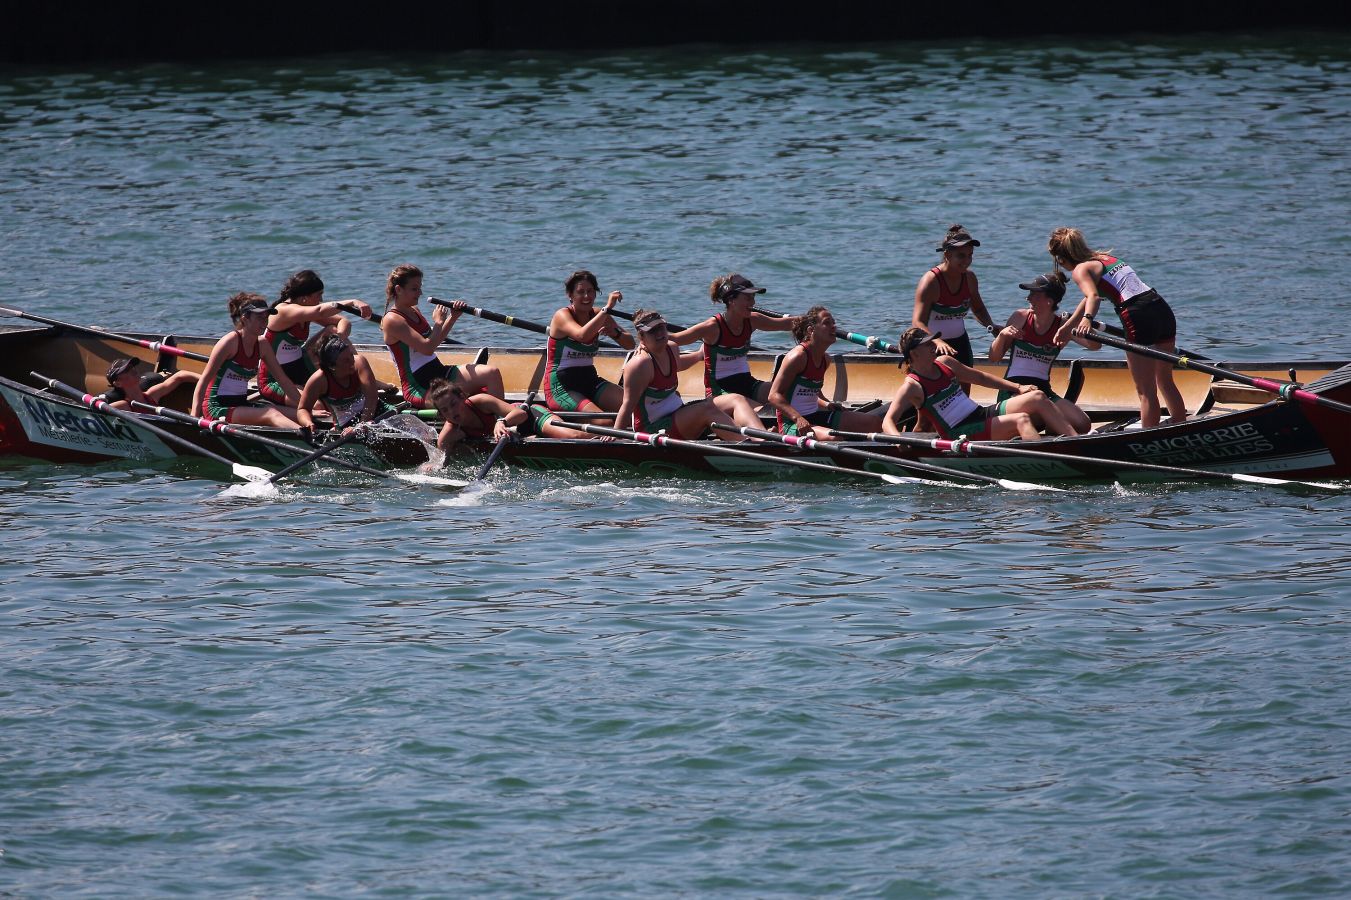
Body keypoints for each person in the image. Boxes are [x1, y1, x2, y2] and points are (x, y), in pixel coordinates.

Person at [1049, 227, 1186, 428]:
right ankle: (1180, 424)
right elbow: (1089, 296)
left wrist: (1087, 320)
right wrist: (1068, 326)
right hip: (1160, 308)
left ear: (1060, 258)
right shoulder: (1106, 259)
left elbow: (1093, 297)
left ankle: (1148, 438)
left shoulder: (1080, 270)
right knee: (1164, 379)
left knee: (1145, 390)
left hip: (1137, 315)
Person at [883, 327, 1078, 441]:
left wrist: (1018, 388)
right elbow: (888, 421)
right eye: (928, 344)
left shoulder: (944, 363)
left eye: (932, 341)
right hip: (959, 432)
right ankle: (1043, 461)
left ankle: (1075, 442)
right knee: (1021, 420)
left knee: (1037, 397)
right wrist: (900, 441)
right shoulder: (912, 386)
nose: (934, 345)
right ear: (914, 353)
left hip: (979, 414)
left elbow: (981, 378)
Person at [614, 309, 758, 442]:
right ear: (641, 337)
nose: (659, 333)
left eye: (661, 328)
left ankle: (763, 440)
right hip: (653, 429)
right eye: (652, 331)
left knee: (735, 398)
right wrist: (615, 437)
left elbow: (678, 364)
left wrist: (698, 355)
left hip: (678, 414)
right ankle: (748, 444)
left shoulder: (671, 348)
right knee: (706, 409)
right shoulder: (640, 364)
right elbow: (627, 406)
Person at [988, 272, 1099, 435]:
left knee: (1082, 423)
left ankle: (1054, 435)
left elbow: (1095, 346)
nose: (1028, 298)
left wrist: (1082, 322)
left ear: (1049, 301)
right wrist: (1003, 335)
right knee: (1034, 416)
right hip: (1013, 390)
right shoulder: (1019, 317)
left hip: (1043, 392)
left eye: (1034, 294)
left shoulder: (1063, 326)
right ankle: (1052, 429)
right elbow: (994, 357)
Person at [379, 263, 504, 408]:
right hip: (419, 386)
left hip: (439, 371)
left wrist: (453, 317)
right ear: (399, 290)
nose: (420, 293)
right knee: (459, 401)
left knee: (492, 373)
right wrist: (438, 322)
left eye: (420, 288)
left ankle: (499, 422)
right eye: (414, 289)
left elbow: (435, 340)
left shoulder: (414, 310)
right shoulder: (392, 320)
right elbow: (427, 349)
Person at [668, 273, 798, 402]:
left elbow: (787, 324)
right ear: (731, 300)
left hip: (747, 383)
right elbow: (675, 340)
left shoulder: (753, 320)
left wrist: (813, 319)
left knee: (786, 392)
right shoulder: (712, 327)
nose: (752, 302)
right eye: (747, 298)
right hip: (719, 392)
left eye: (753, 297)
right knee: (751, 407)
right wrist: (650, 333)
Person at [257, 269, 373, 405]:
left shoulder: (304, 308)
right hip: (273, 379)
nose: (321, 299)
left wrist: (338, 339)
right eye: (319, 295)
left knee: (332, 330)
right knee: (317, 405)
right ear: (305, 297)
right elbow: (319, 310)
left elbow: (343, 321)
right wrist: (353, 302)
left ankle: (359, 376)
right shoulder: (283, 311)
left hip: (300, 366)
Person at [767, 306, 884, 440]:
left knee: (874, 423)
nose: (833, 326)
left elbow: (811, 391)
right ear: (811, 330)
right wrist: (798, 418)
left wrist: (827, 404)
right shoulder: (797, 357)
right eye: (827, 323)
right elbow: (773, 396)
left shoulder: (825, 359)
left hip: (816, 415)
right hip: (792, 423)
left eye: (833, 323)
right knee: (834, 438)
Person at [190, 293, 301, 427]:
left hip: (240, 405)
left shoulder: (263, 345)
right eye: (259, 317)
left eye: (266, 317)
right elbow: (204, 380)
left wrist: (304, 408)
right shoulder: (229, 342)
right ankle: (312, 440)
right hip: (216, 408)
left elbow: (283, 380)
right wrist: (195, 420)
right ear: (245, 318)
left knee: (298, 414)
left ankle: (314, 433)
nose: (264, 322)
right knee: (271, 413)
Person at [544, 269, 636, 413]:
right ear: (570, 295)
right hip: (561, 387)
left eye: (590, 291)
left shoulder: (599, 314)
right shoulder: (562, 316)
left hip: (590, 380)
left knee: (634, 408)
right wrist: (607, 309)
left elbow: (630, 344)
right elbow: (582, 336)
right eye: (581, 292)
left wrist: (615, 333)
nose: (586, 296)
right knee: (603, 422)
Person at [425, 378, 590, 453]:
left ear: (463, 398)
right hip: (518, 435)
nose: (452, 413)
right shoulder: (449, 434)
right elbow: (442, 455)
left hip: (530, 417)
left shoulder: (480, 401)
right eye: (445, 410)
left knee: (573, 436)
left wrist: (501, 422)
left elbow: (521, 415)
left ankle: (610, 436)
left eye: (453, 404)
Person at [912, 224, 998, 368]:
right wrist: (937, 341)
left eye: (970, 255)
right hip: (932, 346)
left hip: (960, 344)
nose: (967, 261)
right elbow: (917, 322)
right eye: (961, 256)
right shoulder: (931, 282)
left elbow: (978, 309)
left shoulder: (970, 278)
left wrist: (991, 326)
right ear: (947, 255)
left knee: (963, 390)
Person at [295, 335, 383, 439]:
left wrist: (360, 426)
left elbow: (372, 398)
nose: (352, 362)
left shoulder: (359, 362)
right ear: (332, 366)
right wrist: (308, 423)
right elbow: (302, 409)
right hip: (346, 424)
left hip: (373, 411)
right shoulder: (319, 380)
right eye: (346, 360)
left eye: (351, 355)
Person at [100, 357, 199, 411]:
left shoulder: (152, 395)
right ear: (118, 384)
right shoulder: (123, 406)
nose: (132, 369)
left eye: (132, 367)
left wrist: (208, 381)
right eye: (126, 370)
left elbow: (180, 376)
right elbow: (97, 414)